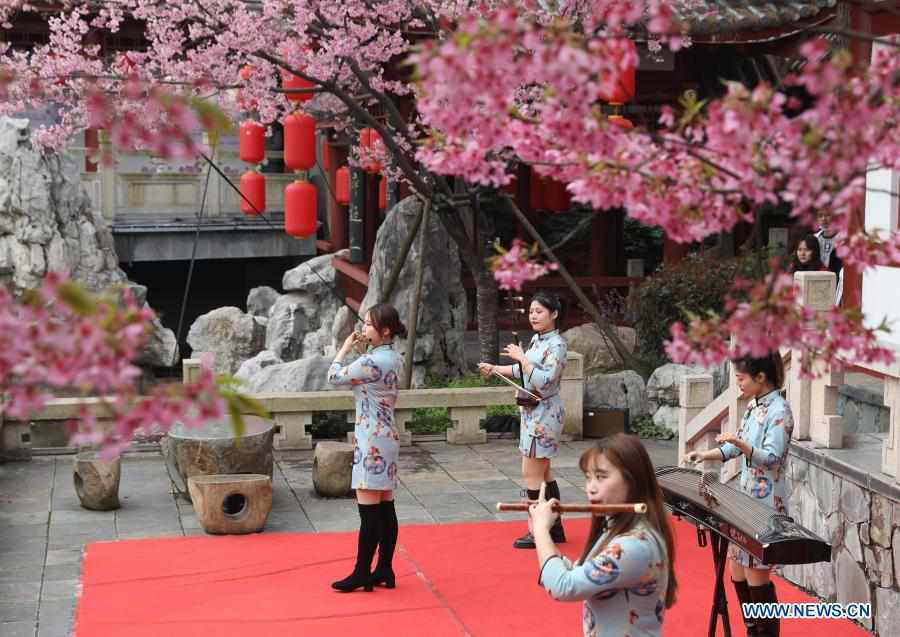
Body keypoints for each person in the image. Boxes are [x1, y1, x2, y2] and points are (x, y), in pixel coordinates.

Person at [684, 352, 793, 637]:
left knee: (758, 578)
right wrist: (704, 454)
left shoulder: (779, 411)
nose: (739, 385)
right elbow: (733, 448)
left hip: (766, 506)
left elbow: (771, 458)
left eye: (742, 379)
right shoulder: (753, 406)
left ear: (761, 377)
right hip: (745, 503)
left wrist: (739, 442)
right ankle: (752, 630)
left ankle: (765, 633)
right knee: (738, 572)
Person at [531, 434, 677, 637]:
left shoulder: (633, 545)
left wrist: (540, 530)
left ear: (632, 480)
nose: (591, 488)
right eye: (588, 477)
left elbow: (562, 587)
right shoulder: (618, 528)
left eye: (601, 477)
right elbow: (580, 573)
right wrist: (550, 549)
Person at [478, 291, 568, 548]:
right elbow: (522, 370)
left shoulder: (558, 345)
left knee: (531, 473)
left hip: (545, 413)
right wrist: (495, 368)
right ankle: (555, 528)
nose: (534, 316)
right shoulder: (537, 342)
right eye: (531, 312)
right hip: (533, 412)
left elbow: (545, 380)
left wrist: (523, 358)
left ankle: (537, 530)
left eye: (539, 311)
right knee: (544, 471)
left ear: (554, 314)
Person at [327, 303, 407, 592]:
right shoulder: (391, 356)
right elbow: (368, 376)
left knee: (369, 512)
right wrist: (363, 348)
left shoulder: (372, 362)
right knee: (385, 506)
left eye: (369, 324)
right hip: (387, 436)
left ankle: (362, 571)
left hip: (371, 441)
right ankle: (384, 568)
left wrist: (346, 346)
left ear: (384, 331)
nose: (363, 328)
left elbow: (334, 376)